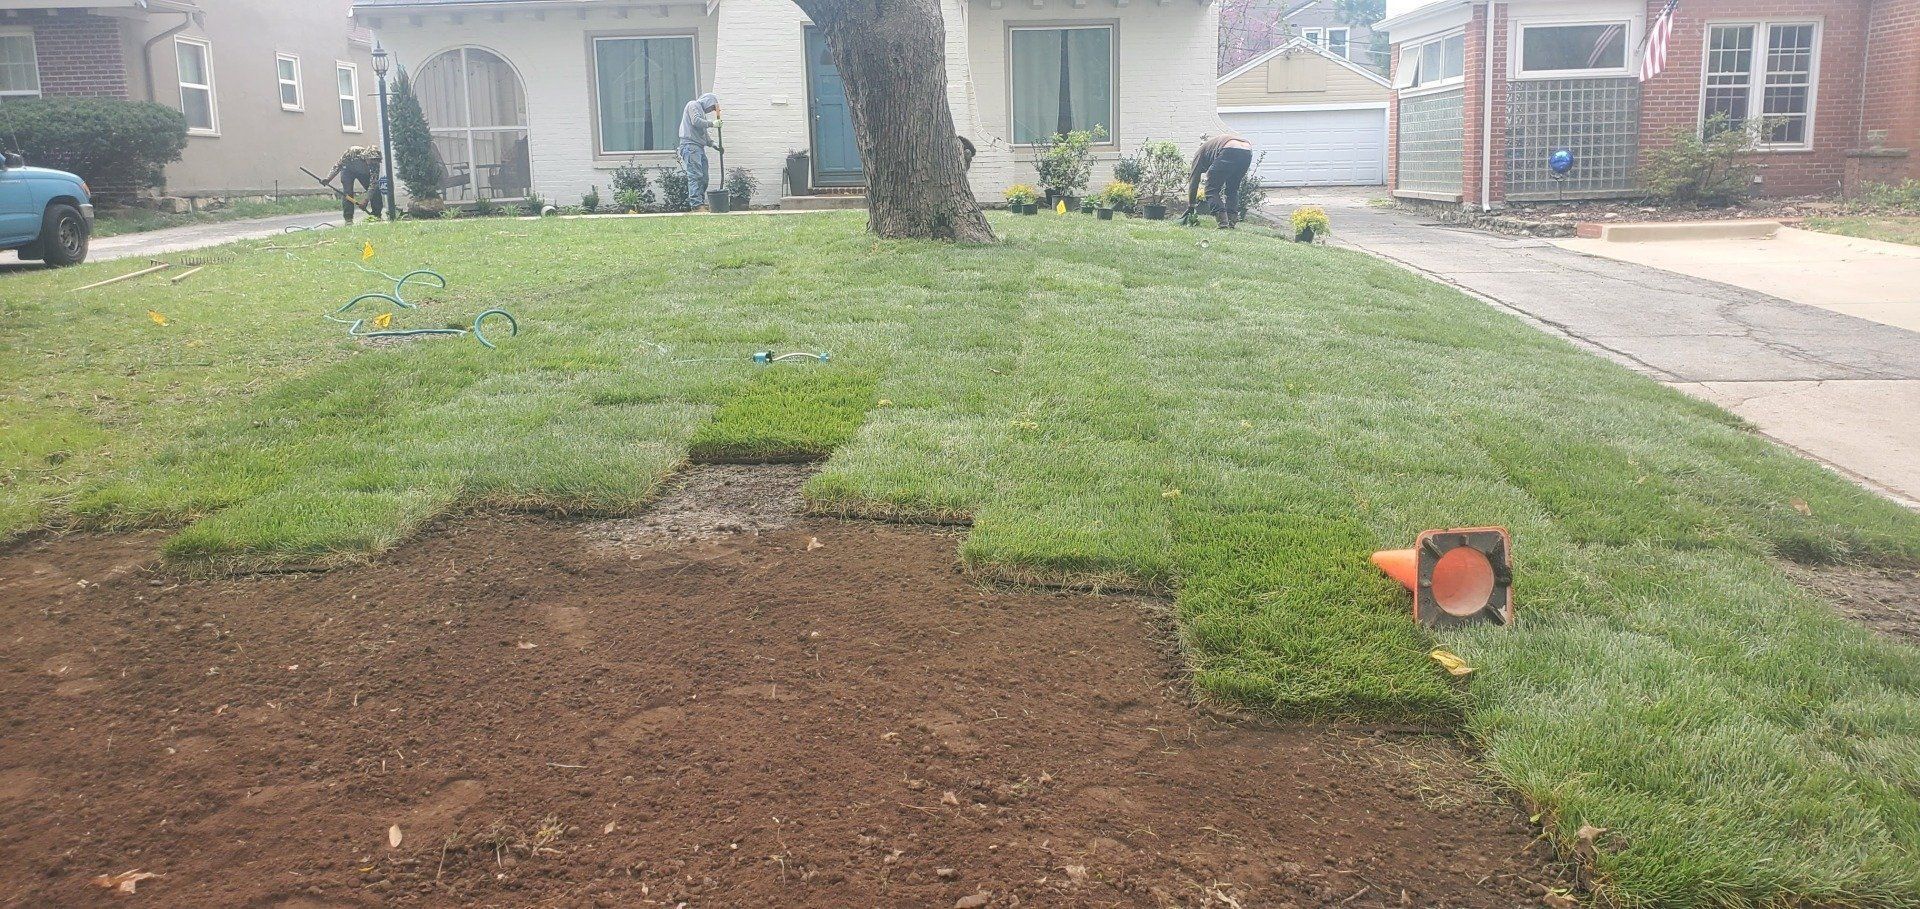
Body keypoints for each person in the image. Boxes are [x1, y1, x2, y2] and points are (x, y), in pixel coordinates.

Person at [1186, 133, 1254, 229]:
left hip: (1228, 148)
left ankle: (1223, 223)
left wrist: (1191, 205)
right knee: (1232, 189)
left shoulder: (1198, 155)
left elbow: (1194, 181)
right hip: (1247, 150)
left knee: (1211, 190)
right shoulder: (1208, 150)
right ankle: (1231, 222)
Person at [679, 93, 721, 209]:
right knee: (695, 175)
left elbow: (703, 132)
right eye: (712, 107)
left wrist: (712, 143)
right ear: (708, 101)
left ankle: (700, 202)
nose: (711, 110)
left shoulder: (701, 112)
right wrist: (712, 124)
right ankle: (696, 205)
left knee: (704, 177)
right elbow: (696, 121)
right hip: (690, 146)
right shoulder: (693, 104)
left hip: (699, 147)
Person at [325, 145, 384, 223]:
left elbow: (373, 183)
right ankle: (348, 219)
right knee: (348, 193)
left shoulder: (375, 165)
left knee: (376, 191)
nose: (374, 162)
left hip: (364, 173)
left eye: (377, 160)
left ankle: (376, 216)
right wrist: (328, 179)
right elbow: (338, 165)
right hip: (348, 171)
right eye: (372, 160)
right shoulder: (353, 152)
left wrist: (365, 201)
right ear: (366, 157)